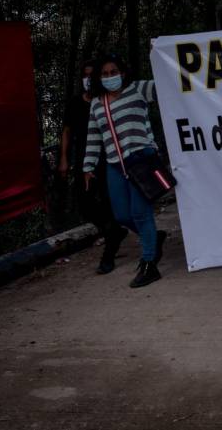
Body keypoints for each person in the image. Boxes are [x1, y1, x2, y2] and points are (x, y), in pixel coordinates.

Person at [83, 53, 167, 288]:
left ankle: (150, 264)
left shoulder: (138, 89)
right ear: (99, 78)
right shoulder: (97, 103)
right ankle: (153, 237)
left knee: (141, 213)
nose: (110, 77)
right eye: (105, 74)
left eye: (114, 72)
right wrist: (87, 166)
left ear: (122, 72)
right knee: (121, 215)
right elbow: (93, 136)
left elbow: (168, 86)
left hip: (141, 159)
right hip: (115, 165)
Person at [58, 60, 127, 274]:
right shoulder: (75, 103)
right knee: (85, 203)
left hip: (107, 158)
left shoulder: (105, 101)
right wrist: (64, 158)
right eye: (85, 75)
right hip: (84, 159)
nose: (88, 79)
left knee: (108, 202)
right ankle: (112, 231)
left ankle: (109, 252)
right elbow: (67, 131)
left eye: (92, 75)